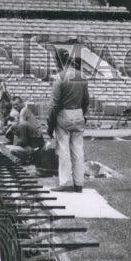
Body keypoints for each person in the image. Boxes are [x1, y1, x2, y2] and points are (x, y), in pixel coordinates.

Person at [49, 49, 89, 193]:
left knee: (63, 149)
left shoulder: (60, 77)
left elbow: (54, 104)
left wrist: (50, 123)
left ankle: (65, 182)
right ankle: (79, 184)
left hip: (64, 113)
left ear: (58, 60)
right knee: (78, 150)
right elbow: (86, 101)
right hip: (78, 112)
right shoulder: (82, 76)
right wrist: (82, 114)